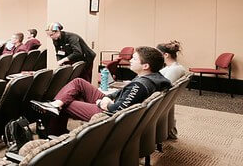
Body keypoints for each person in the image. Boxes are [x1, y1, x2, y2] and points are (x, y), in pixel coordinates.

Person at [31, 46, 171, 135]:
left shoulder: (140, 85)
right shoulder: (152, 77)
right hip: (111, 103)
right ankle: (56, 105)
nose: (130, 61)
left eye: (134, 59)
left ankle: (55, 135)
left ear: (145, 65)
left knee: (68, 104)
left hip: (109, 114)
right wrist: (108, 97)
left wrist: (102, 103)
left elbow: (118, 110)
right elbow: (122, 96)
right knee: (79, 82)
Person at [157, 40, 187, 140]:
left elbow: (161, 87)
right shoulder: (173, 67)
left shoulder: (174, 69)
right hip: (166, 100)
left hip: (160, 100)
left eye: (158, 53)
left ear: (165, 55)